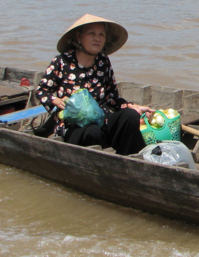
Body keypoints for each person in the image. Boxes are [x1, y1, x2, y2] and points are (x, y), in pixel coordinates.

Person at [36, 14, 153, 155]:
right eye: (91, 33)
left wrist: (132, 107)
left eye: (101, 34)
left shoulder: (103, 62)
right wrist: (55, 100)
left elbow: (112, 98)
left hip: (102, 121)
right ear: (79, 37)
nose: (97, 38)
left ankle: (129, 160)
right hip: (74, 127)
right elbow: (42, 90)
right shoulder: (61, 62)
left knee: (131, 116)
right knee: (92, 132)